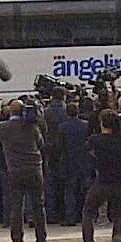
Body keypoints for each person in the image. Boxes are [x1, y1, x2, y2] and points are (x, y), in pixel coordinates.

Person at [0, 99, 47, 242]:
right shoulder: (31, 127)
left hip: (15, 170)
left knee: (17, 207)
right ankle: (41, 241)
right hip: (34, 169)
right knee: (38, 206)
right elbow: (40, 144)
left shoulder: (2, 127)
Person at [76, 109, 121, 242]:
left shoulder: (96, 139)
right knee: (118, 214)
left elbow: (89, 152)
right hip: (120, 181)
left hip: (103, 180)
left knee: (88, 211)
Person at [57, 102, 92, 227]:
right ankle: (87, 216)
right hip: (84, 161)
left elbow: (60, 147)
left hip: (69, 162)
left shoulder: (62, 127)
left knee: (70, 191)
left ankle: (70, 218)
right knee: (86, 190)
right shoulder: (86, 125)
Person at [43, 87, 69, 224]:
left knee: (50, 185)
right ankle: (67, 213)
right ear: (64, 96)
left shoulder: (45, 112)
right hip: (65, 151)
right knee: (67, 185)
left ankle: (52, 215)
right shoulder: (67, 111)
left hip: (49, 150)